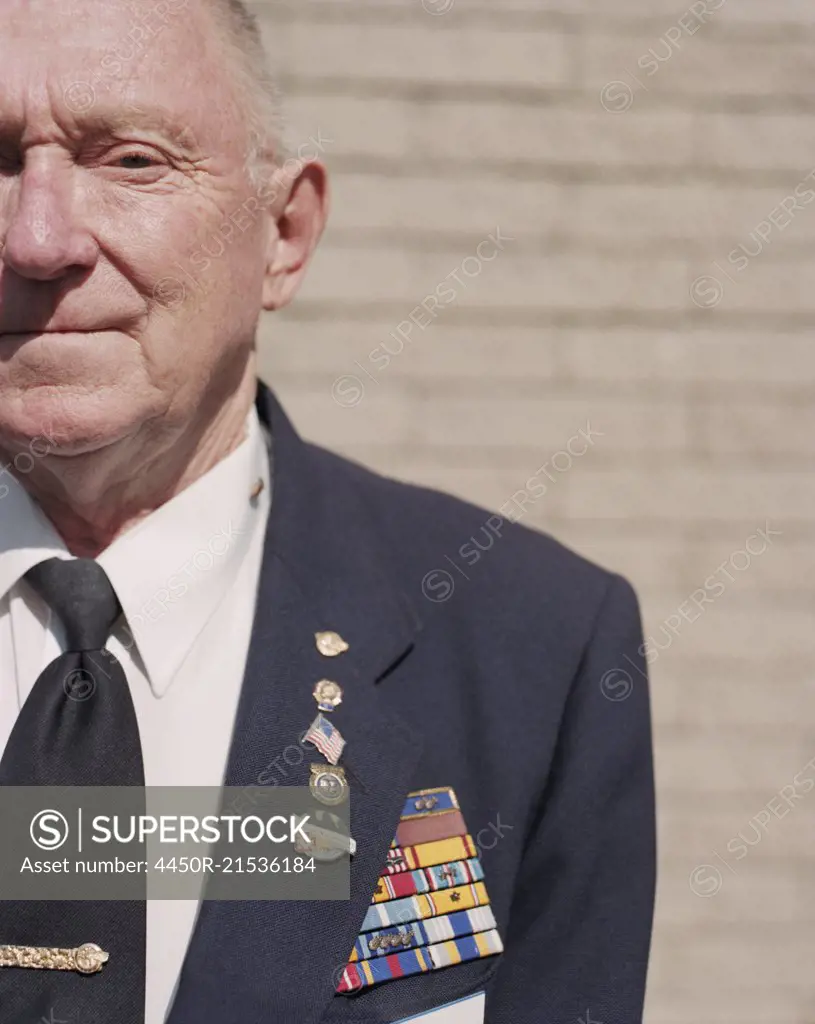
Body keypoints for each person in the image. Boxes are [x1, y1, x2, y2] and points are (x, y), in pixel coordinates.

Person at [0, 1, 656, 1022]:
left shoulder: (530, 649)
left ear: (285, 235)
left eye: (129, 161)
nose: (38, 239)